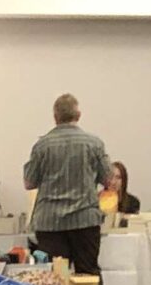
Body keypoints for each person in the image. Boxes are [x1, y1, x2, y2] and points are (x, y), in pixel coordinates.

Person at [24, 92, 114, 273]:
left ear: (55, 117)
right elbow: (109, 180)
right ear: (78, 116)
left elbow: (29, 182)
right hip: (85, 219)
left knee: (56, 276)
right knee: (88, 272)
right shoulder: (94, 144)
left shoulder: (41, 146)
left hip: (49, 222)